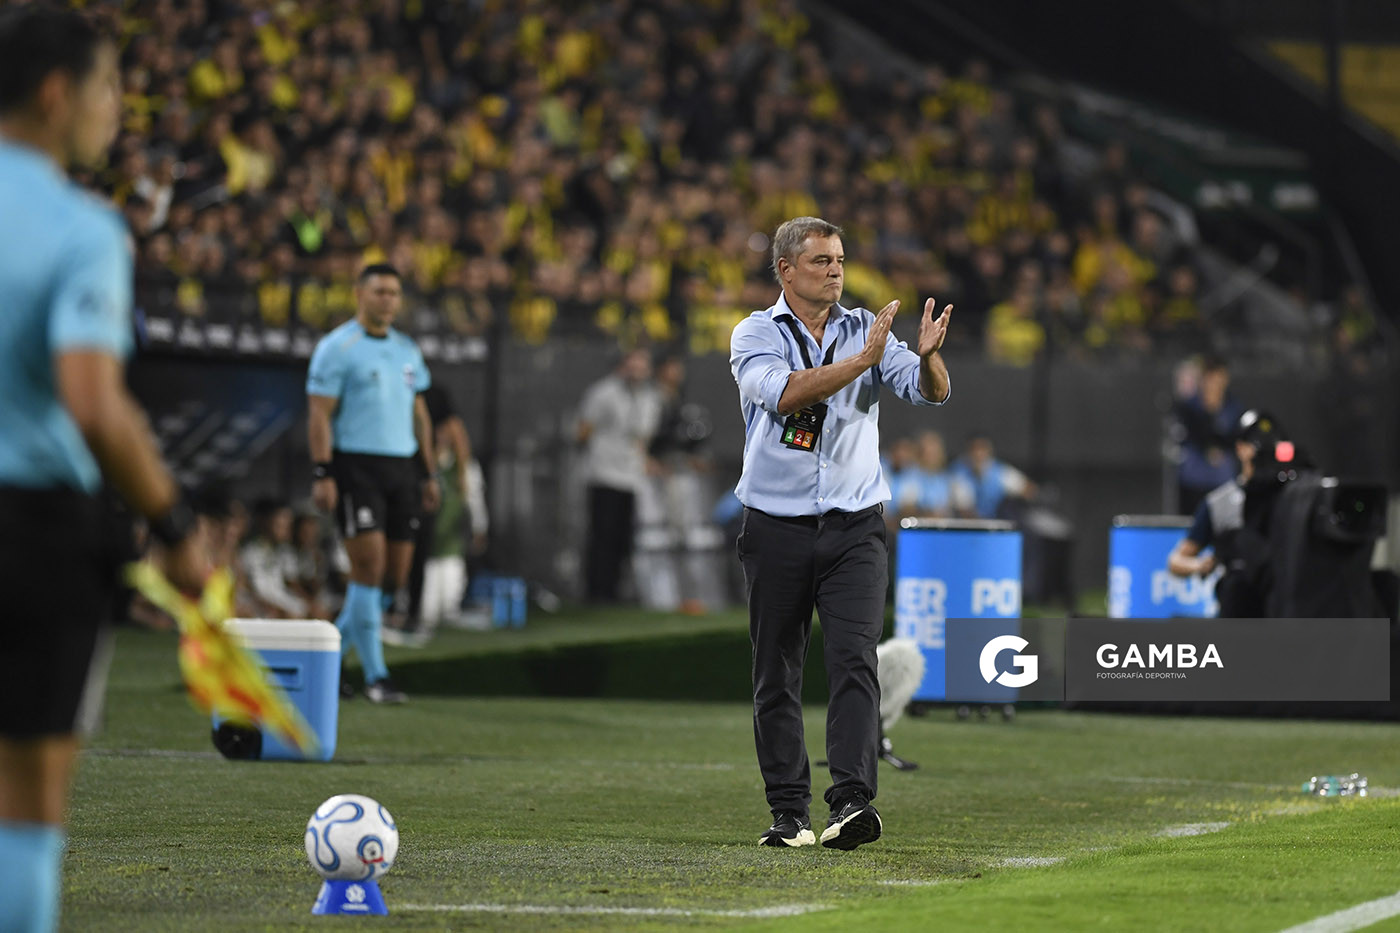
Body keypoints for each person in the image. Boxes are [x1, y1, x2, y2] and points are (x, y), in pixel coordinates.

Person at [0, 9, 206, 931]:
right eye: (107, 88)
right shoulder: (83, 228)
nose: (116, 110)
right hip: (32, 529)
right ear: (56, 94)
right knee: (28, 799)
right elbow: (91, 401)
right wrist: (173, 526)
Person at [730, 216, 951, 851]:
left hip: (855, 528)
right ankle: (788, 813)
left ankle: (852, 802)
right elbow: (786, 395)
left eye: (840, 259)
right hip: (775, 528)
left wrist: (929, 359)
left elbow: (931, 393)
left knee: (855, 659)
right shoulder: (755, 333)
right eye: (822, 260)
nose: (835, 270)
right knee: (776, 671)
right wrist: (864, 361)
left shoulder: (865, 329)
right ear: (785, 270)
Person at [306, 263, 438, 704]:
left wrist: (429, 471)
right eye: (380, 291)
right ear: (359, 293)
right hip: (356, 467)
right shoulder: (337, 347)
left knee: (392, 578)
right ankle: (378, 677)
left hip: (402, 469)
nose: (388, 300)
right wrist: (323, 472)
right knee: (368, 568)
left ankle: (326, 662)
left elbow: (419, 414)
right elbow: (319, 413)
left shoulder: (407, 350)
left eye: (395, 293)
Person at [1167, 409, 1278, 617]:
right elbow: (1176, 561)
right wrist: (1201, 565)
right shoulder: (1222, 502)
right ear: (1240, 448)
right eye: (1256, 445)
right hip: (1237, 608)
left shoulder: (1289, 497)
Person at [576, 348, 662, 603]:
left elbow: (643, 439)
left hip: (631, 476)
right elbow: (583, 430)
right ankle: (596, 592)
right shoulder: (603, 393)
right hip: (604, 473)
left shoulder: (650, 398)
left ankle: (615, 589)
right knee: (603, 534)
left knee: (623, 537)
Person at [399, 382, 473, 642]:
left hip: (420, 483)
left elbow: (456, 431)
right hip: (397, 473)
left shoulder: (434, 394)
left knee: (420, 550)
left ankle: (411, 613)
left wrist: (461, 473)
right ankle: (398, 610)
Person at [1173, 355, 1242, 515]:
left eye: (1219, 376)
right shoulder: (1189, 407)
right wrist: (1207, 447)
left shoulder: (1234, 407)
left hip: (1222, 480)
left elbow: (1234, 437)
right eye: (1210, 377)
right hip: (1193, 481)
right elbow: (1189, 434)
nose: (1215, 382)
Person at [952, 433, 1035, 519]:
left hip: (998, 523)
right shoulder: (959, 473)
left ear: (990, 451)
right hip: (972, 526)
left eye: (982, 449)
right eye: (974, 449)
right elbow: (965, 511)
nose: (978, 454)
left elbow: (1029, 490)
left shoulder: (1000, 471)